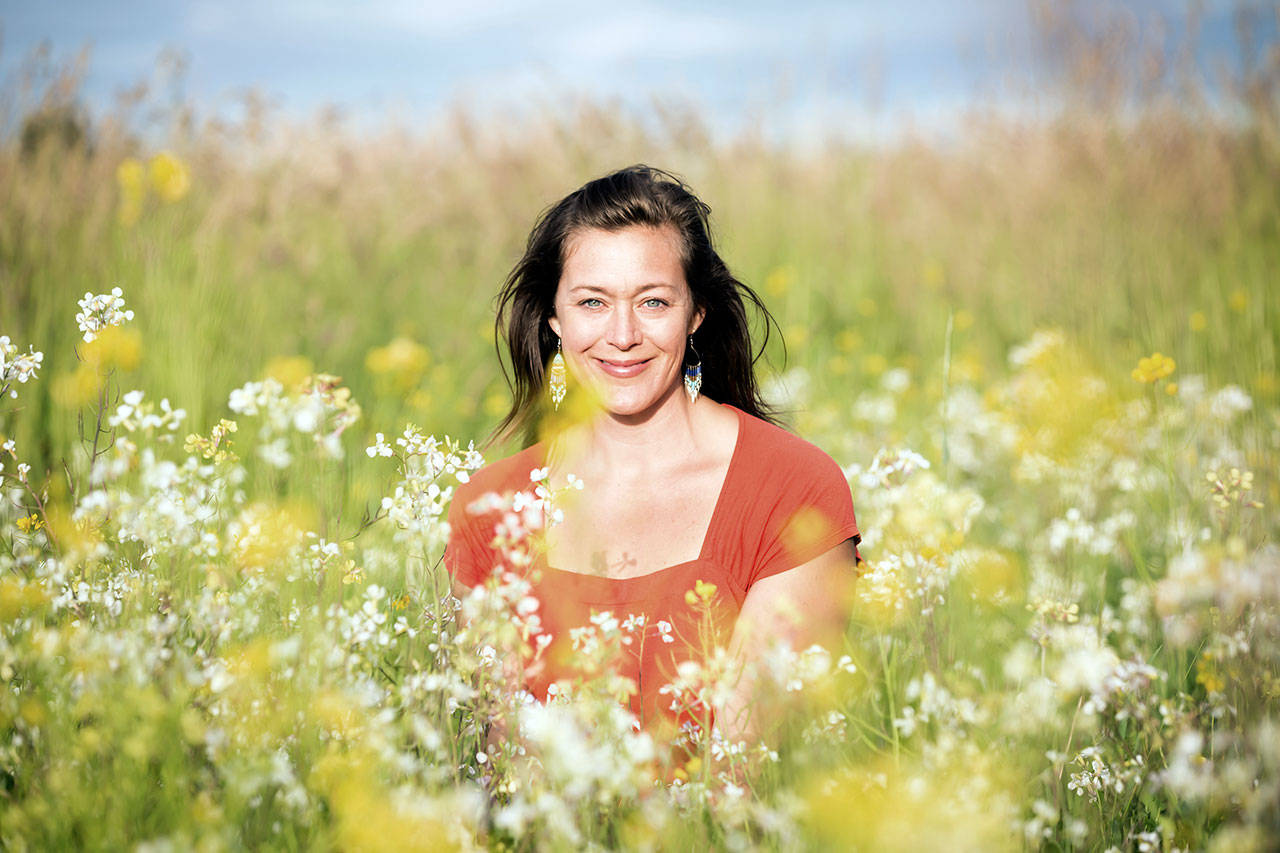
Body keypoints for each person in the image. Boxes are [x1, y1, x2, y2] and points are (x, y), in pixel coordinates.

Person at [443, 165, 861, 743]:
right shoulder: (488, 509)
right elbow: (498, 771)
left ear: (696, 314)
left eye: (654, 302)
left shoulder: (792, 491)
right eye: (592, 302)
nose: (622, 335)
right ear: (554, 320)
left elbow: (747, 779)